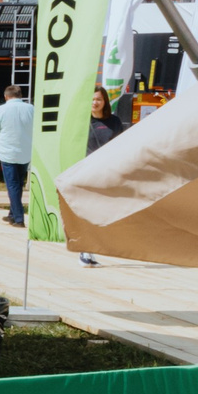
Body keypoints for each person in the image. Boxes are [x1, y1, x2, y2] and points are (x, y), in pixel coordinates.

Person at [77, 88, 124, 266]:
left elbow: (120, 145)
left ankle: (91, 249)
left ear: (105, 101)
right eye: (92, 99)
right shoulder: (81, 120)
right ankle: (84, 250)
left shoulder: (114, 121)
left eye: (98, 99)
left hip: (106, 171)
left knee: (101, 211)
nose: (95, 102)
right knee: (87, 209)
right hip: (86, 170)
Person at [0, 84, 32, 227]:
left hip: (8, 153)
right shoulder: (31, 109)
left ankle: (18, 218)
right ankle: (12, 214)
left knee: (13, 185)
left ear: (6, 96)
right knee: (18, 184)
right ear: (20, 95)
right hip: (25, 152)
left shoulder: (1, 110)